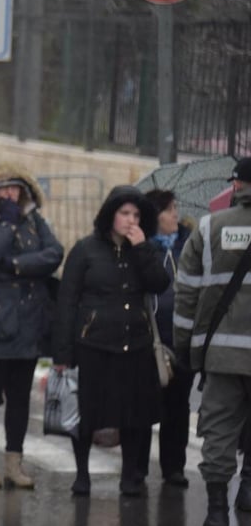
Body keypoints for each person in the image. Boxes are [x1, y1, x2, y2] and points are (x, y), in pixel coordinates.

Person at [54, 186, 170, 497]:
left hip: (135, 344)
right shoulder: (86, 249)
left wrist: (143, 249)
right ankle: (82, 475)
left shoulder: (145, 249)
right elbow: (66, 300)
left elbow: (160, 283)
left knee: (134, 415)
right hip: (93, 345)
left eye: (136, 214)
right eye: (124, 213)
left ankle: (130, 476)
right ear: (111, 215)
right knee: (87, 413)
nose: (130, 220)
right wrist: (62, 351)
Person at [0, 163, 63, 489]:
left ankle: (14, 462)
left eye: (15, 188)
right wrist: (6, 225)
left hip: (26, 322)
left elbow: (54, 254)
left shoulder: (34, 220)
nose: (10, 195)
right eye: (3, 189)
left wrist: (15, 265)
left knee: (19, 396)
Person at [173, 157, 251, 526]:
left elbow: (185, 295)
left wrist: (186, 348)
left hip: (221, 354)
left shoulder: (208, 227)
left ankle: (217, 512)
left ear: (236, 186)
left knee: (218, 429)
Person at [143, 189, 193, 488]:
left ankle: (174, 466)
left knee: (179, 406)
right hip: (151, 338)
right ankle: (136, 467)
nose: (175, 214)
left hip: (182, 338)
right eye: (168, 209)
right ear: (155, 216)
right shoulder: (144, 249)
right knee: (148, 403)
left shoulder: (189, 245)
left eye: (176, 207)